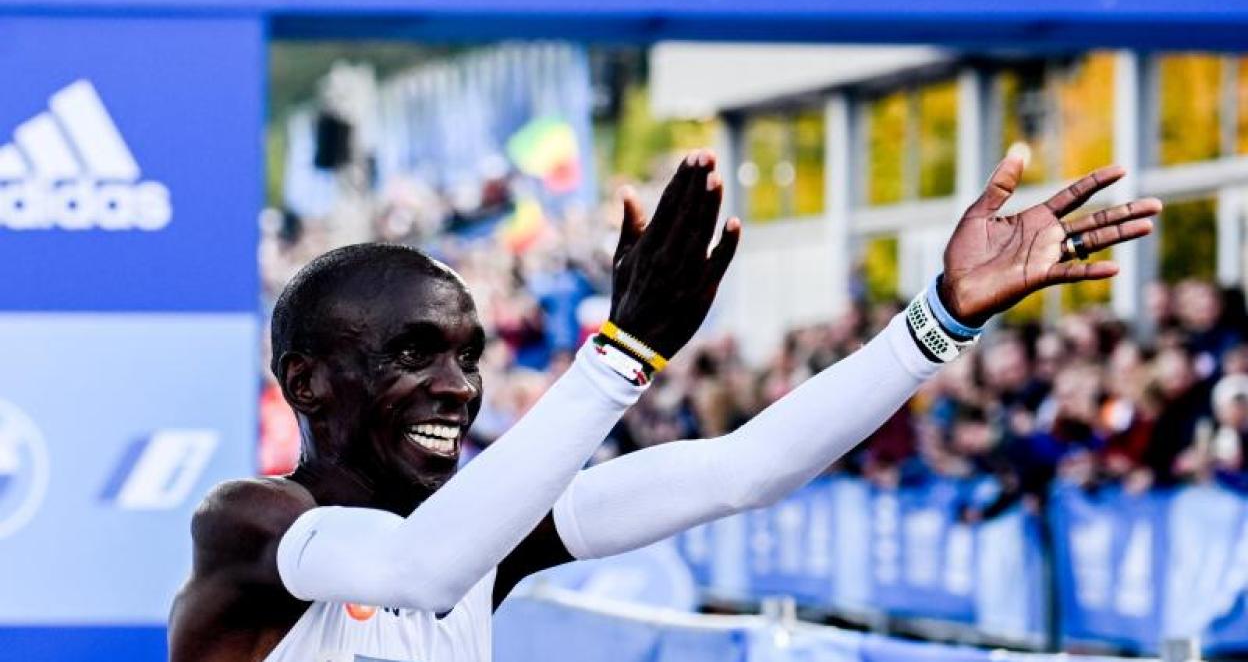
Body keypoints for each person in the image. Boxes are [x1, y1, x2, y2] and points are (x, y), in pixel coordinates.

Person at [168, 147, 1161, 662]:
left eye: (469, 354)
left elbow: (742, 469)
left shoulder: (488, 534)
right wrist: (621, 352)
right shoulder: (254, 522)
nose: (458, 386)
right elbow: (422, 568)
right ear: (308, 382)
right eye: (415, 353)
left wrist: (937, 320)